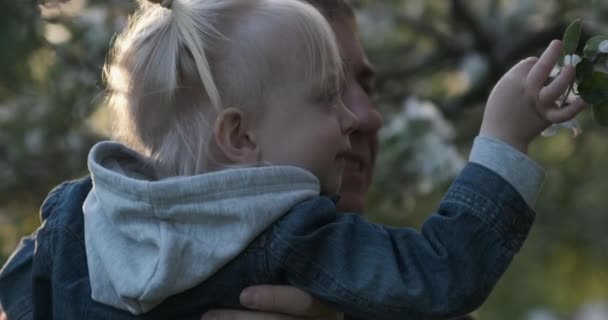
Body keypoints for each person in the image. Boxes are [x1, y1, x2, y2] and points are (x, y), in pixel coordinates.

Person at [0, 0, 585, 320]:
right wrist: (503, 142)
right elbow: (441, 274)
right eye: (326, 96)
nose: (352, 119)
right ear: (240, 136)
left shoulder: (75, 218)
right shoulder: (290, 234)